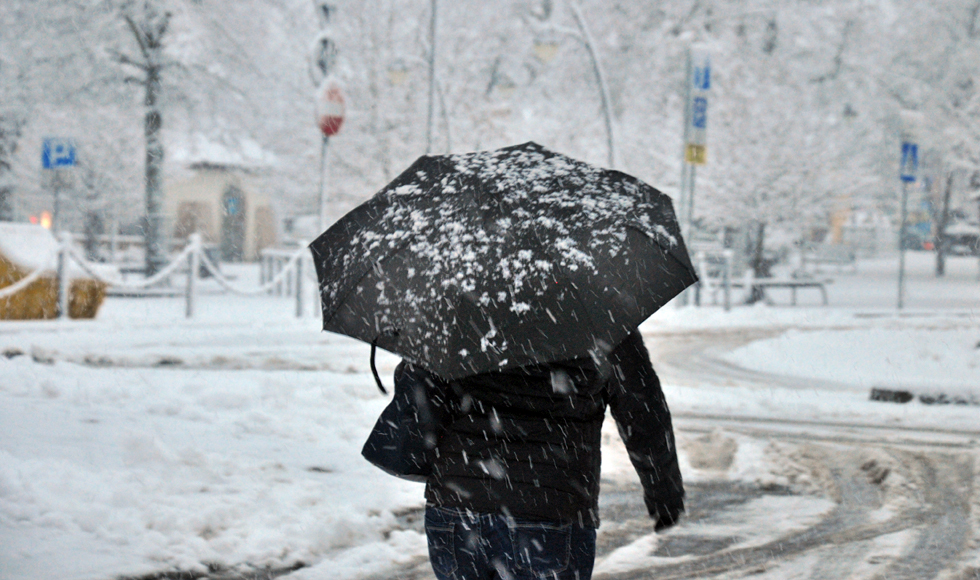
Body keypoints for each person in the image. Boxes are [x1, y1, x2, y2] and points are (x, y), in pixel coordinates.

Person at [391, 328, 683, 580]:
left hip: (457, 507)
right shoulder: (599, 308)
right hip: (549, 509)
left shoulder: (459, 302)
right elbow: (643, 410)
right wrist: (663, 488)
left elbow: (418, 395)